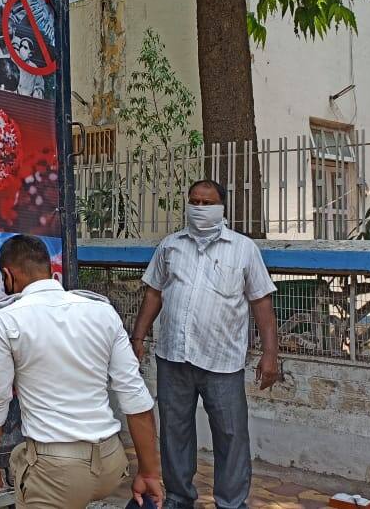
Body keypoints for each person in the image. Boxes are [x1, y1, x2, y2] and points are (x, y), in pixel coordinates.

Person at [0, 235, 164, 509]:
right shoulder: (102, 311)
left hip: (57, 474)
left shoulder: (5, 319)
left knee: (22, 463)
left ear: (8, 274)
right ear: (51, 271)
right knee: (19, 455)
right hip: (111, 462)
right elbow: (136, 399)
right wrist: (149, 473)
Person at [130, 179, 280, 509]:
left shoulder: (243, 249)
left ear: (222, 208)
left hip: (222, 361)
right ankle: (179, 499)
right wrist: (138, 336)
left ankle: (230, 503)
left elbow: (262, 303)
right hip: (174, 357)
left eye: (207, 202)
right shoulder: (170, 246)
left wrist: (271, 354)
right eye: (194, 201)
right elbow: (154, 293)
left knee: (231, 435)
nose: (200, 208)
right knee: (174, 433)